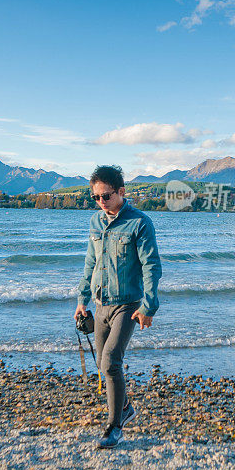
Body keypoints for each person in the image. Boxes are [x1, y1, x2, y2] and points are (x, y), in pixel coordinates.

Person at [74, 165, 162, 449]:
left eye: (106, 196)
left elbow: (151, 266)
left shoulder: (139, 223)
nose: (101, 202)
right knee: (103, 365)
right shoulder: (95, 222)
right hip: (100, 305)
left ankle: (114, 427)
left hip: (128, 305)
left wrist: (148, 305)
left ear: (122, 192)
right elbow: (91, 263)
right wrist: (81, 300)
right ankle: (124, 407)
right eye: (96, 197)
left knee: (111, 361)